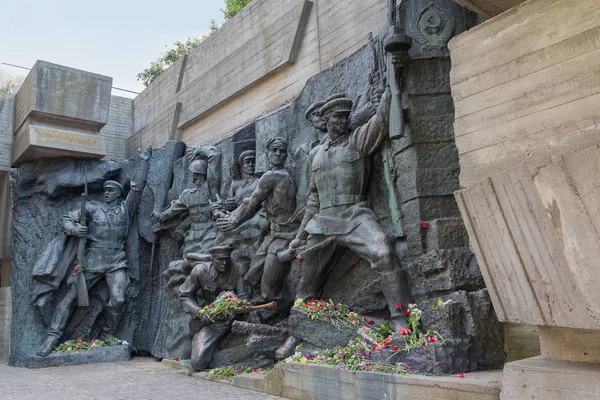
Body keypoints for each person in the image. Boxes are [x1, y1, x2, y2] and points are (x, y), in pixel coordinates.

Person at [290, 87, 412, 338]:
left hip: (355, 215)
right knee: (307, 279)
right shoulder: (315, 154)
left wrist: (388, 91)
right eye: (337, 116)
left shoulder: (358, 139)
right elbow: (313, 198)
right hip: (323, 221)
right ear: (326, 120)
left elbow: (380, 121)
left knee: (384, 253)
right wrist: (301, 235)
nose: (343, 120)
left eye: (346, 116)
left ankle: (401, 319)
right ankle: (297, 332)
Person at [36, 147, 152, 356]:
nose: (106, 193)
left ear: (118, 194)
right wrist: (75, 229)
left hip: (117, 261)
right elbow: (66, 219)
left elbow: (136, 188)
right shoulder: (91, 207)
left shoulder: (126, 209)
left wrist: (143, 162)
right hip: (92, 260)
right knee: (71, 298)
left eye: (110, 191)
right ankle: (52, 337)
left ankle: (108, 335)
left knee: (118, 299)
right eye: (105, 191)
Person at [217, 137, 297, 301]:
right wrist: (232, 215)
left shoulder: (272, 176)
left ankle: (280, 310)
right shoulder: (267, 177)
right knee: (251, 276)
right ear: (267, 153)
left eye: (282, 151)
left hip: (286, 235)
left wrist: (233, 221)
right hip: (273, 234)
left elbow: (253, 203)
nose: (278, 154)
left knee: (267, 288)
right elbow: (249, 201)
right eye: (274, 150)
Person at [179, 245, 247, 371]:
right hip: (213, 321)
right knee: (197, 363)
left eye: (227, 259)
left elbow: (243, 296)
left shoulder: (237, 268)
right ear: (212, 259)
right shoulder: (200, 271)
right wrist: (199, 312)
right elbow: (185, 296)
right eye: (220, 260)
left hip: (236, 317)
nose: (224, 263)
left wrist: (240, 305)